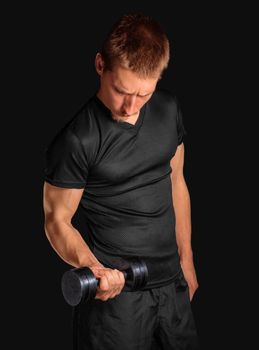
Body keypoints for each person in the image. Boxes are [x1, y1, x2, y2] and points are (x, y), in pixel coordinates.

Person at [43, 13, 200, 349]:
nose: (131, 106)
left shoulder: (169, 109)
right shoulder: (78, 140)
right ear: (101, 65)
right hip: (116, 301)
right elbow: (57, 220)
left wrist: (186, 260)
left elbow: (176, 182)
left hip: (172, 286)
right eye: (121, 91)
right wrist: (93, 268)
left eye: (143, 94)